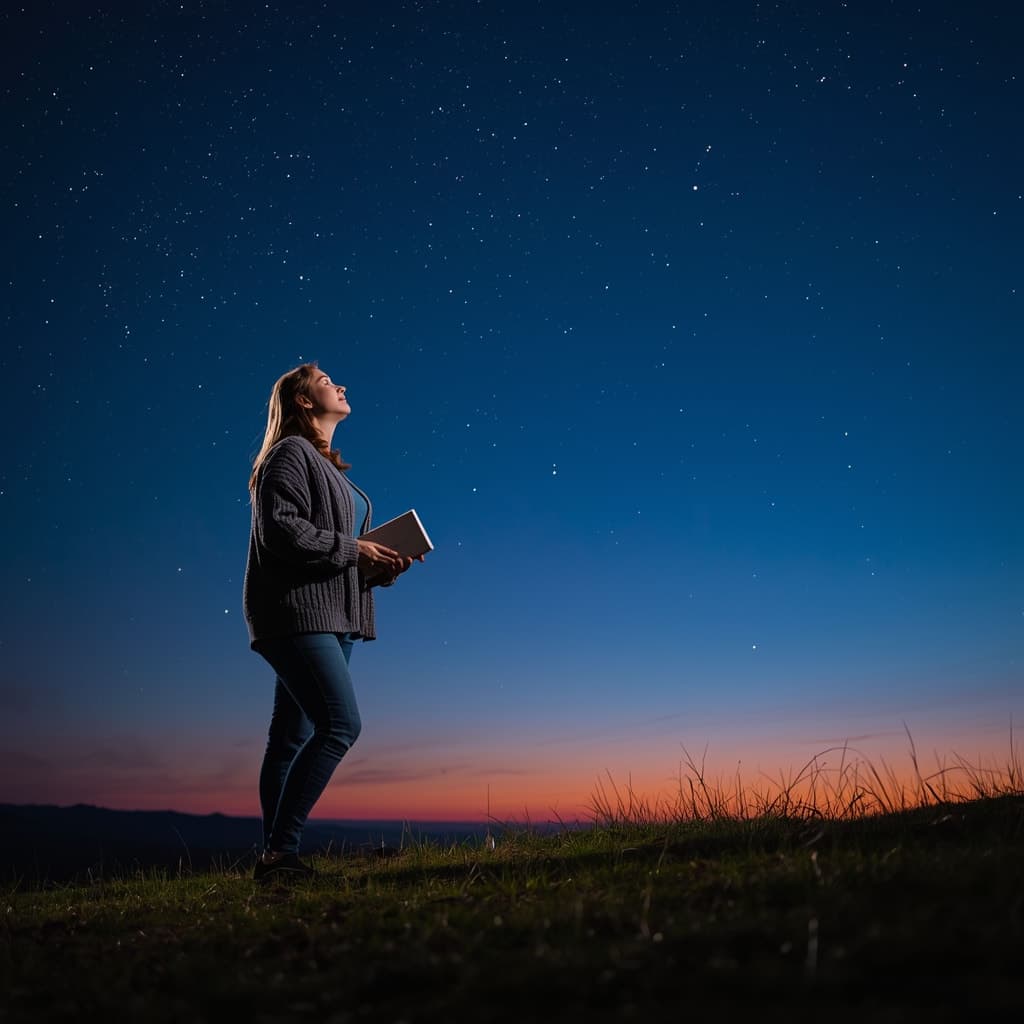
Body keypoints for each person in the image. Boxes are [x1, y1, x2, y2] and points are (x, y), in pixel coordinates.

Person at [243, 362, 420, 882]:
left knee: (290, 739)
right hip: (298, 615)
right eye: (325, 382)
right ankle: (280, 854)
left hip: (328, 613)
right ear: (302, 401)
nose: (340, 385)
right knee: (341, 725)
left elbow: (332, 556)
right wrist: (353, 548)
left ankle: (275, 856)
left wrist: (377, 568)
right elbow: (283, 532)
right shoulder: (289, 453)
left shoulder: (326, 468)